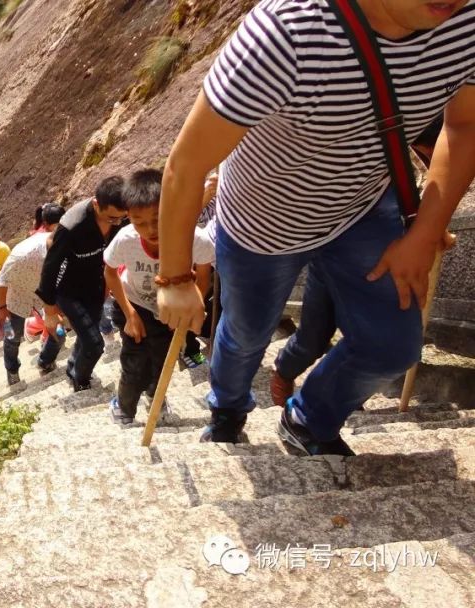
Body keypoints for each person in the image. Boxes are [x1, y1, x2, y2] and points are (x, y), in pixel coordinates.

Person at [156, 0, 474, 455]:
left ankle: (308, 418)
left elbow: (464, 126)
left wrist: (425, 231)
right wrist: (175, 278)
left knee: (394, 347)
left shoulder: (463, 19)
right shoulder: (285, 33)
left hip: (362, 208)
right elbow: (186, 166)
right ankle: (227, 408)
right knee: (246, 334)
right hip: (261, 227)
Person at [270, 116, 450, 407]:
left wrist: (429, 228)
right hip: (333, 256)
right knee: (314, 338)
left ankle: (322, 405)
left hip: (383, 263)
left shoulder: (413, 162)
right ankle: (285, 371)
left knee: (369, 334)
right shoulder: (360, 151)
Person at [103, 169, 214, 424]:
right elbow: (110, 273)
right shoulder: (125, 240)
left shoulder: (193, 238)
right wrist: (130, 314)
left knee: (163, 360)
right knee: (135, 363)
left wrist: (193, 304)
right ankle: (124, 407)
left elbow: (204, 274)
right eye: (139, 222)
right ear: (127, 217)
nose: (150, 229)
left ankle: (156, 396)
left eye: (157, 218)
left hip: (171, 309)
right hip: (135, 304)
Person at [37, 176, 128, 391]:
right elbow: (50, 266)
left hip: (96, 284)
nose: (116, 223)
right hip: (68, 289)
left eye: (120, 219)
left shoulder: (121, 216)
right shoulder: (73, 225)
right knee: (95, 343)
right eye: (111, 218)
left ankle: (73, 367)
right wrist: (49, 309)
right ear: (96, 204)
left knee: (88, 336)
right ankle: (81, 380)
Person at [0, 202, 66, 385]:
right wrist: (2, 308)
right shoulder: (23, 254)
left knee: (59, 332)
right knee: (12, 338)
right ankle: (12, 371)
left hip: (43, 295)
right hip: (16, 298)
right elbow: (1, 281)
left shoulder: (60, 245)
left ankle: (45, 361)